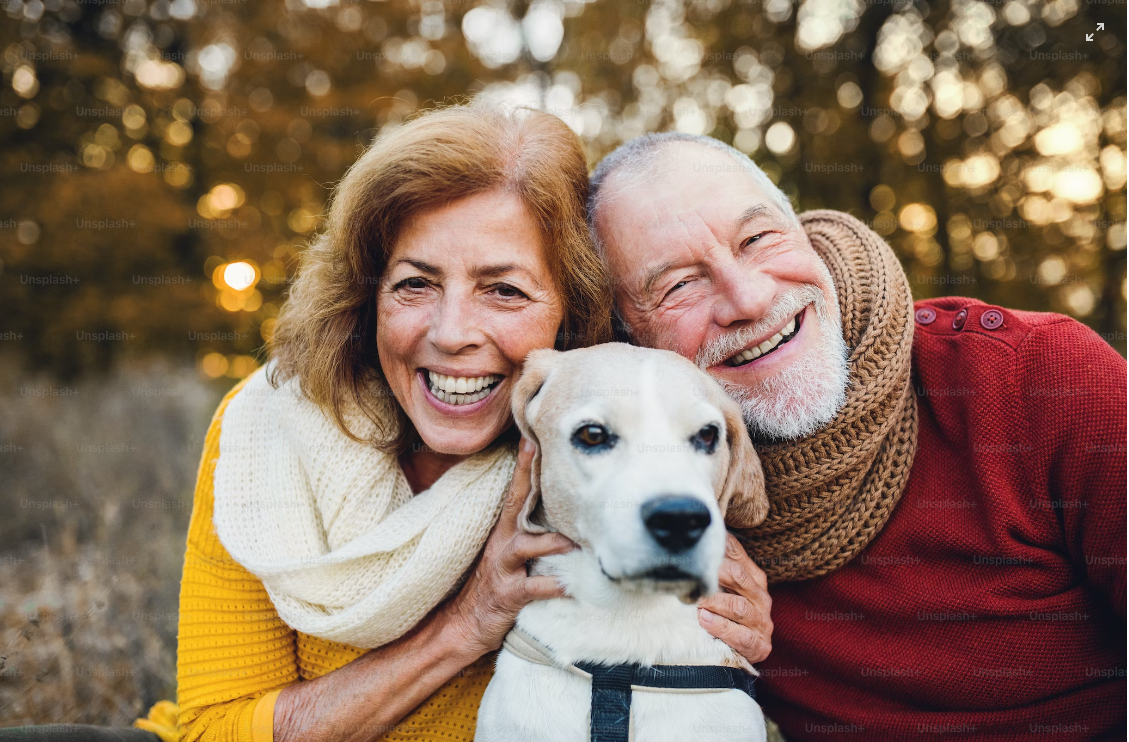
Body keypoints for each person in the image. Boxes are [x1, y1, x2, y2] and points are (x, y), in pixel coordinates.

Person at [129, 107, 773, 742]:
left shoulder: (601, 457)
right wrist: (468, 623)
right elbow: (213, 730)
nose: (452, 334)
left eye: (505, 290)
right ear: (367, 294)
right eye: (416, 284)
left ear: (570, 315)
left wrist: (737, 617)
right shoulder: (266, 430)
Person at [587, 132, 1126, 740]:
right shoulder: (641, 498)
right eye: (678, 285)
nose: (749, 297)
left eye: (758, 239)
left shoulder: (1039, 379)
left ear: (803, 231)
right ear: (625, 342)